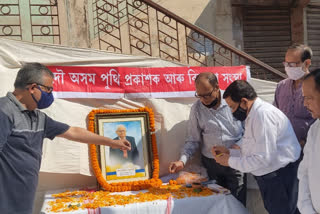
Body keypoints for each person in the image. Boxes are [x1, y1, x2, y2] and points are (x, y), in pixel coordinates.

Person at [0, 63, 131, 214]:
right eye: (48, 89)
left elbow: (72, 132)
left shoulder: (38, 117)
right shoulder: (4, 111)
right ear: (32, 88)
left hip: (23, 200)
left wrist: (112, 142)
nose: (50, 94)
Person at [213, 80, 301, 214]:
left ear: (243, 101)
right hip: (271, 176)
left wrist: (229, 161)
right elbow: (252, 149)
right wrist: (229, 153)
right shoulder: (253, 114)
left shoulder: (262, 115)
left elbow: (262, 158)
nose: (232, 111)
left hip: (280, 176)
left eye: (232, 107)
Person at [168, 72, 246, 205]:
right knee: (215, 203)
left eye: (207, 95)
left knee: (237, 202)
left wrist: (234, 149)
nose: (204, 100)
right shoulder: (197, 109)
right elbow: (193, 139)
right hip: (212, 164)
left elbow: (249, 132)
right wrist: (182, 161)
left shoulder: (233, 102)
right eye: (200, 96)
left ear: (217, 87)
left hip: (235, 160)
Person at [274, 44, 315, 148]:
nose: (288, 68)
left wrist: (305, 142)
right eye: (286, 64)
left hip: (309, 148)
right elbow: (274, 116)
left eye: (292, 64)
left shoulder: (315, 88)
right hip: (283, 149)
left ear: (306, 63)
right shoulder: (281, 86)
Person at [297, 68, 320, 213]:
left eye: (309, 98)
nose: (305, 104)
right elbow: (304, 172)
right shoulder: (315, 129)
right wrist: (306, 209)